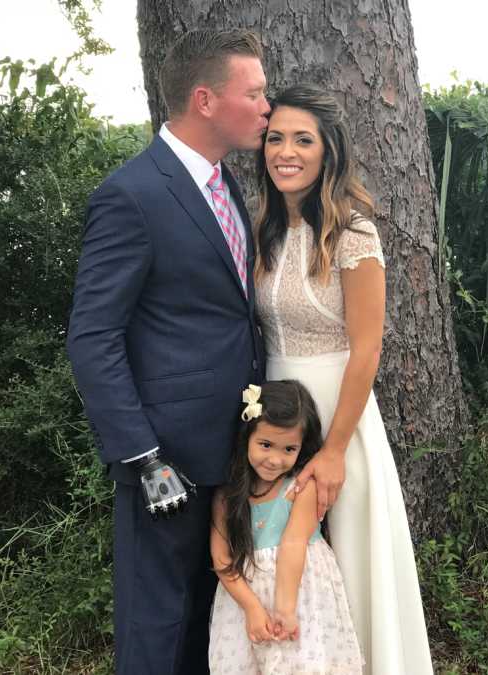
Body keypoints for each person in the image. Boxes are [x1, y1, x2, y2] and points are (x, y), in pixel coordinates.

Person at [65, 29, 269, 675]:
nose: (267, 107)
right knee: (157, 624)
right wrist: (142, 455)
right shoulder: (132, 194)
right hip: (168, 458)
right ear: (206, 100)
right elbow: (93, 335)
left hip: (235, 448)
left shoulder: (225, 185)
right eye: (255, 93)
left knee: (215, 621)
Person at [253, 85, 435, 674]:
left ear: (329, 151)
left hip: (341, 417)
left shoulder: (354, 234)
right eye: (275, 137)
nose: (286, 151)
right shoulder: (266, 230)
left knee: (355, 560)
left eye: (302, 139)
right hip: (279, 415)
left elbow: (368, 348)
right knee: (281, 553)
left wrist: (333, 451)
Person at [208, 380, 363, 674]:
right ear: (247, 438)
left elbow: (293, 543)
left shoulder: (301, 487)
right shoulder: (226, 497)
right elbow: (221, 559)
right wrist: (252, 608)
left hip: (299, 596)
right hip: (245, 601)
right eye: (265, 445)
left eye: (289, 448)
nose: (275, 459)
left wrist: (285, 609)